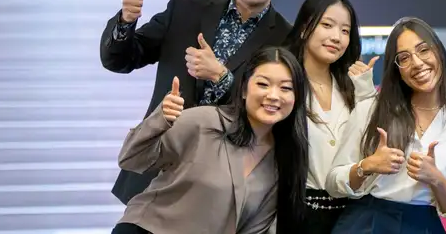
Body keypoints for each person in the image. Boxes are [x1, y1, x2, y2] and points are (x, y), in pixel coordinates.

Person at [100, 0, 295, 204]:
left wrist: (223, 77)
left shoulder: (287, 39)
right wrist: (126, 21)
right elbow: (121, 60)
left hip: (227, 186)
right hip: (158, 174)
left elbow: (277, 114)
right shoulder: (185, 10)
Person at [111, 47, 309, 234]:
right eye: (263, 84)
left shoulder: (283, 159)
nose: (273, 96)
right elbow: (131, 159)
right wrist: (160, 119)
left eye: (286, 88)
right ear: (243, 90)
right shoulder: (204, 121)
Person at [326, 17, 446, 234]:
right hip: (366, 223)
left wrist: (437, 180)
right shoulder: (371, 110)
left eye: (424, 50)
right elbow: (333, 183)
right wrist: (367, 166)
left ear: (439, 51)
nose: (418, 63)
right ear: (396, 69)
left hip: (423, 226)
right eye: (404, 58)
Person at [283, 0, 378, 232]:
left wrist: (366, 93)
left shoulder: (353, 86)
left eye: (345, 31)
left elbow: (376, 139)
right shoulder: (285, 83)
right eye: (327, 25)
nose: (336, 37)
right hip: (298, 216)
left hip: (354, 217)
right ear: (304, 28)